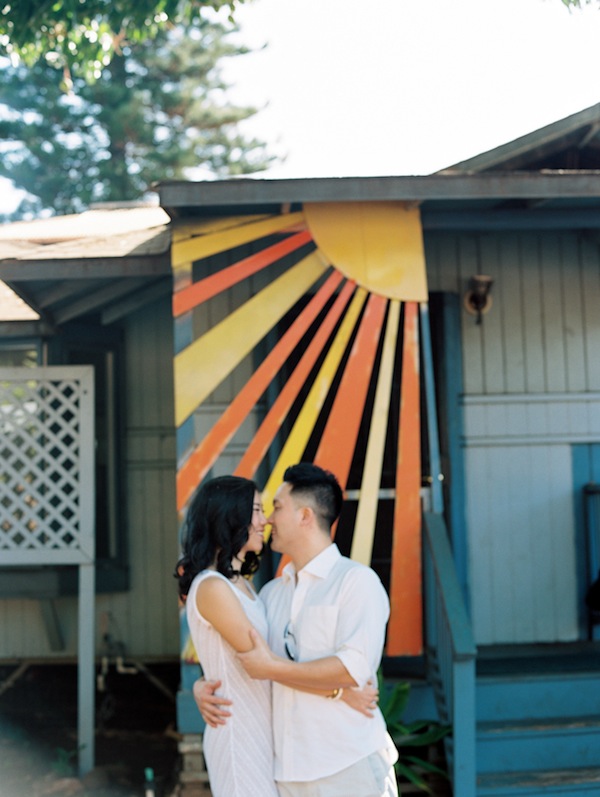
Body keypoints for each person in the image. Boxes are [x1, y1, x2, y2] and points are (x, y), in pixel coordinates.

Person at [197, 463, 398, 797]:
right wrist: (203, 684)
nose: (268, 520)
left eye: (276, 507)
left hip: (347, 764)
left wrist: (274, 669)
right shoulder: (273, 594)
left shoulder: (356, 582)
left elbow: (351, 669)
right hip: (285, 774)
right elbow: (246, 655)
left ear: (305, 516)